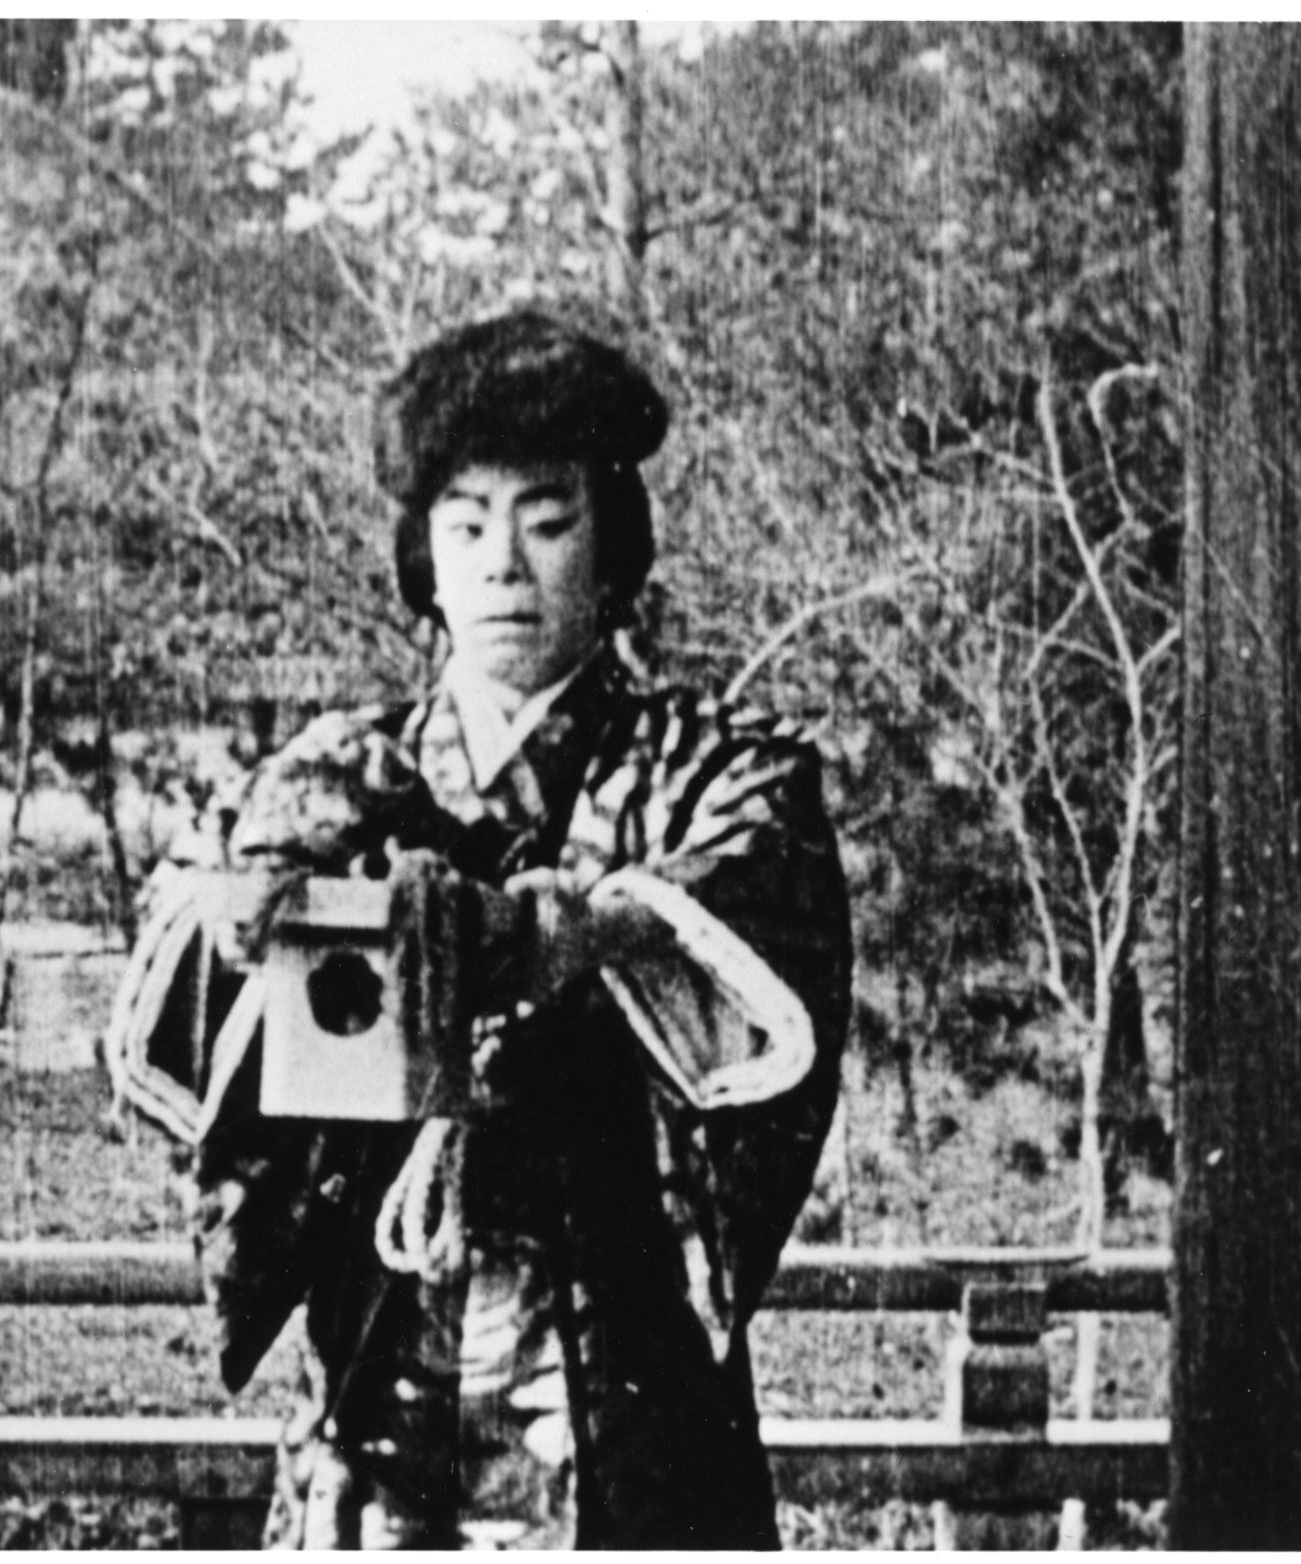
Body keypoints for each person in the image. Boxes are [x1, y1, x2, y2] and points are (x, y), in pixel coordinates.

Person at [108, 311, 852, 1548]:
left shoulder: (715, 774)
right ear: (426, 560)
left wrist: (576, 929)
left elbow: (747, 908)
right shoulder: (332, 775)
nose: (506, 564)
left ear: (613, 545)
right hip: (383, 1367)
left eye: (548, 521)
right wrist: (249, 912)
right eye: (466, 525)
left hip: (626, 1394)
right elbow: (177, 952)